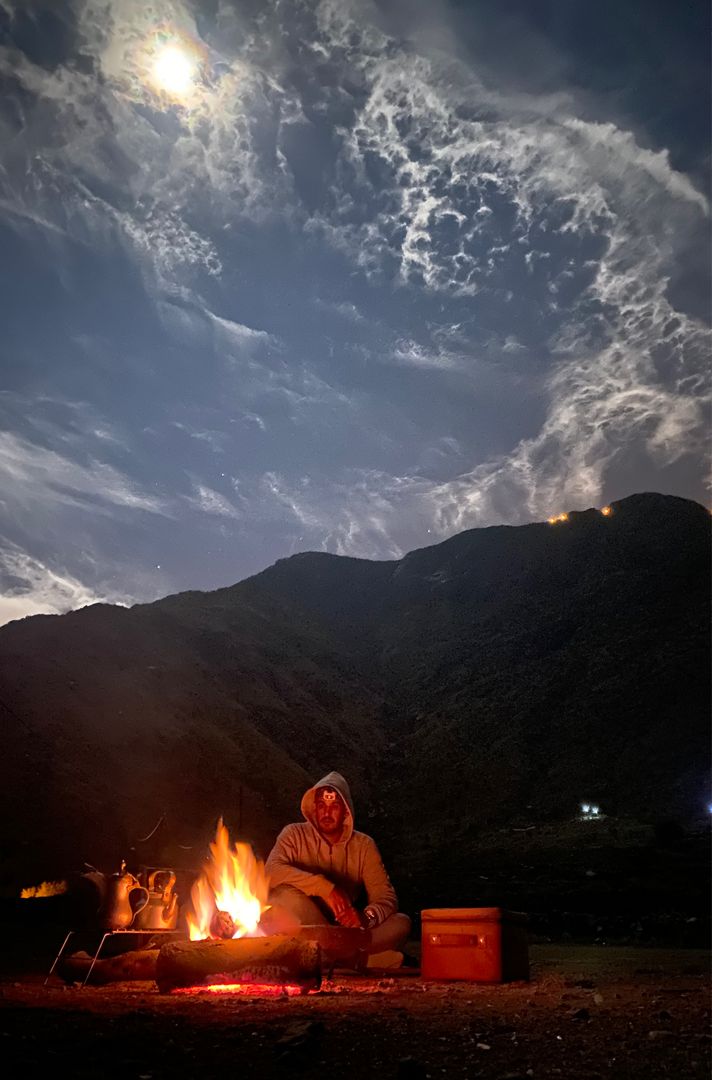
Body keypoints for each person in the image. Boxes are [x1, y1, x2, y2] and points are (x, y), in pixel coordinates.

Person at [263, 771, 411, 968]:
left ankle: (333, 958)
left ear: (346, 812)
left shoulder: (363, 846)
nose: (326, 813)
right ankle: (358, 960)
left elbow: (385, 896)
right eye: (321, 806)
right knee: (283, 899)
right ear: (314, 808)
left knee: (402, 922)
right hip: (307, 925)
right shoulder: (294, 834)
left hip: (345, 931)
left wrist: (366, 918)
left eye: (334, 807)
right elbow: (271, 871)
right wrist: (325, 889)